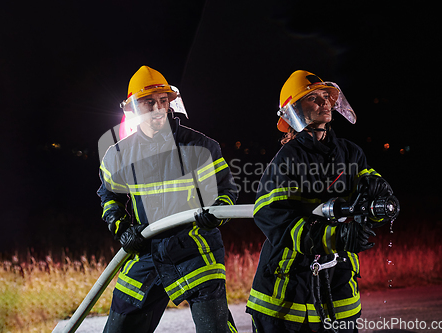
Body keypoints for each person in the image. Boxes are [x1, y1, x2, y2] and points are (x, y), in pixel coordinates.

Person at [245, 70, 398, 332]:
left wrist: (380, 200)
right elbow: (272, 215)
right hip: (287, 286)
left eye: (326, 96)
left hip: (337, 279)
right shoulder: (287, 159)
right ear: (296, 110)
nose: (325, 102)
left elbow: (367, 194)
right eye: (314, 98)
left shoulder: (350, 153)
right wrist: (333, 237)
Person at [97, 65, 238, 333]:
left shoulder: (201, 147)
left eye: (163, 101)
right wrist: (123, 228)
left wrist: (216, 213)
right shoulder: (120, 155)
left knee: (214, 328)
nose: (158, 108)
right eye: (149, 103)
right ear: (133, 109)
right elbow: (108, 194)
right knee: (119, 327)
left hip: (196, 249)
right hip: (147, 250)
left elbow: (226, 191)